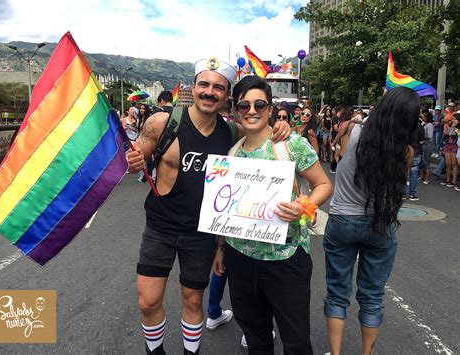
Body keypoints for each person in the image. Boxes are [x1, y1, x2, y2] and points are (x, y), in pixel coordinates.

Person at [126, 57, 291, 355]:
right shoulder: (163, 122)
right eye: (204, 84)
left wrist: (282, 124)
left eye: (218, 87)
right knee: (147, 301)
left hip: (201, 233)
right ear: (193, 87)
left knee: (193, 300)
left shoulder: (231, 133)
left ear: (226, 95)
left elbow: (260, 132)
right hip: (160, 228)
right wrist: (133, 162)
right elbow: (135, 160)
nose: (209, 92)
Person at [213, 75, 332, 354]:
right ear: (235, 110)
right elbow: (224, 209)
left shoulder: (290, 144)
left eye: (259, 104)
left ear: (269, 108)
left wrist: (304, 207)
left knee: (296, 340)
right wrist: (220, 248)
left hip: (285, 259)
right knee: (256, 337)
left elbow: (324, 184)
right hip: (240, 258)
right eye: (244, 105)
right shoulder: (232, 152)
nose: (252, 111)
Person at [323, 86, 421, 355]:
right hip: (380, 223)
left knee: (337, 293)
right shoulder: (406, 151)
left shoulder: (352, 132)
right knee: (372, 297)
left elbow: (337, 157)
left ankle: (335, 352)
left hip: (342, 220)